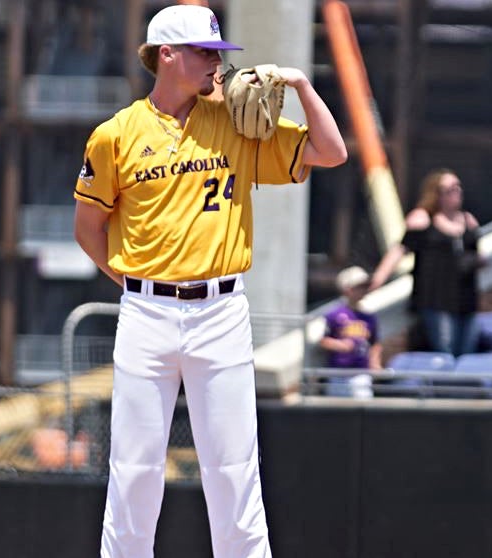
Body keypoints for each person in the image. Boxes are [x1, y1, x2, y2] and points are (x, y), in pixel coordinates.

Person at [72, 5, 346, 557]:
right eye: (204, 51)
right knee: (133, 470)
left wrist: (297, 82)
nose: (216, 63)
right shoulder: (115, 135)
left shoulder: (235, 121)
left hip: (220, 311)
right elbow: (88, 229)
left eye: (218, 52)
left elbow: (331, 152)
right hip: (146, 311)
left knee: (233, 469)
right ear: (166, 55)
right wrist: (135, 282)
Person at [370, 169, 484, 356]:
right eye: (449, 189)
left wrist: (478, 261)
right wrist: (379, 277)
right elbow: (400, 249)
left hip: (466, 299)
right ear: (436, 193)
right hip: (436, 299)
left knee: (467, 354)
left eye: (458, 188)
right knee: (445, 350)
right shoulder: (423, 219)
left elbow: (477, 253)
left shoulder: (468, 221)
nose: (456, 192)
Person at [319, 266, 381, 399]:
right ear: (347, 289)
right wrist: (340, 345)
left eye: (365, 286)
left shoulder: (369, 316)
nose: (364, 290)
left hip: (361, 373)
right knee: (337, 412)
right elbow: (323, 340)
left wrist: (375, 362)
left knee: (363, 410)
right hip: (338, 373)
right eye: (360, 286)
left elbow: (375, 343)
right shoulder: (333, 314)